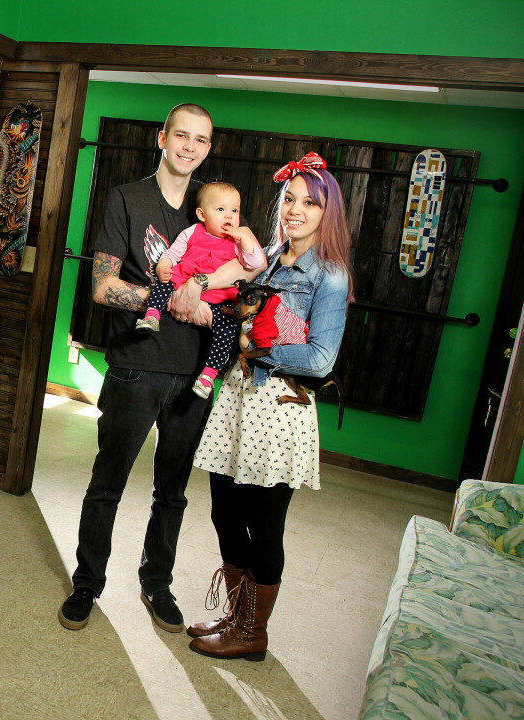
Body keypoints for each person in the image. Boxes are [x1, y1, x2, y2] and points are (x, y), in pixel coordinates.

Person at [58, 103, 258, 633]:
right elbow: (102, 287)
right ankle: (87, 583)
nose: (191, 147)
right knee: (108, 482)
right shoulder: (128, 198)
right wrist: (166, 297)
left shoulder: (220, 211)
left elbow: (242, 280)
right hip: (136, 367)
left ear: (209, 148)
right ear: (162, 139)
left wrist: (202, 294)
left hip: (196, 376)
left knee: (172, 492)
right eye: (182, 136)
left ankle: (157, 584)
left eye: (202, 139)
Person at [188, 152, 354, 661]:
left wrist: (255, 349)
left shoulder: (330, 275)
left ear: (328, 213)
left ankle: (252, 633)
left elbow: (322, 357)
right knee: (222, 513)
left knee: (264, 525)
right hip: (238, 400)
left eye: (310, 203)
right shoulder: (267, 255)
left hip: (280, 407)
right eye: (290, 200)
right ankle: (237, 615)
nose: (296, 210)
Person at [135, 182, 265, 399]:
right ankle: (152, 316)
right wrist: (163, 265)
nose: (229, 216)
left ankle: (208, 375)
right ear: (202, 214)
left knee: (227, 329)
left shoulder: (236, 241)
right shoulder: (193, 232)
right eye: (221, 209)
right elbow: (172, 253)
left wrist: (246, 239)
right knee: (162, 283)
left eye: (235, 210)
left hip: (218, 297)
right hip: (183, 281)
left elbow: (256, 263)